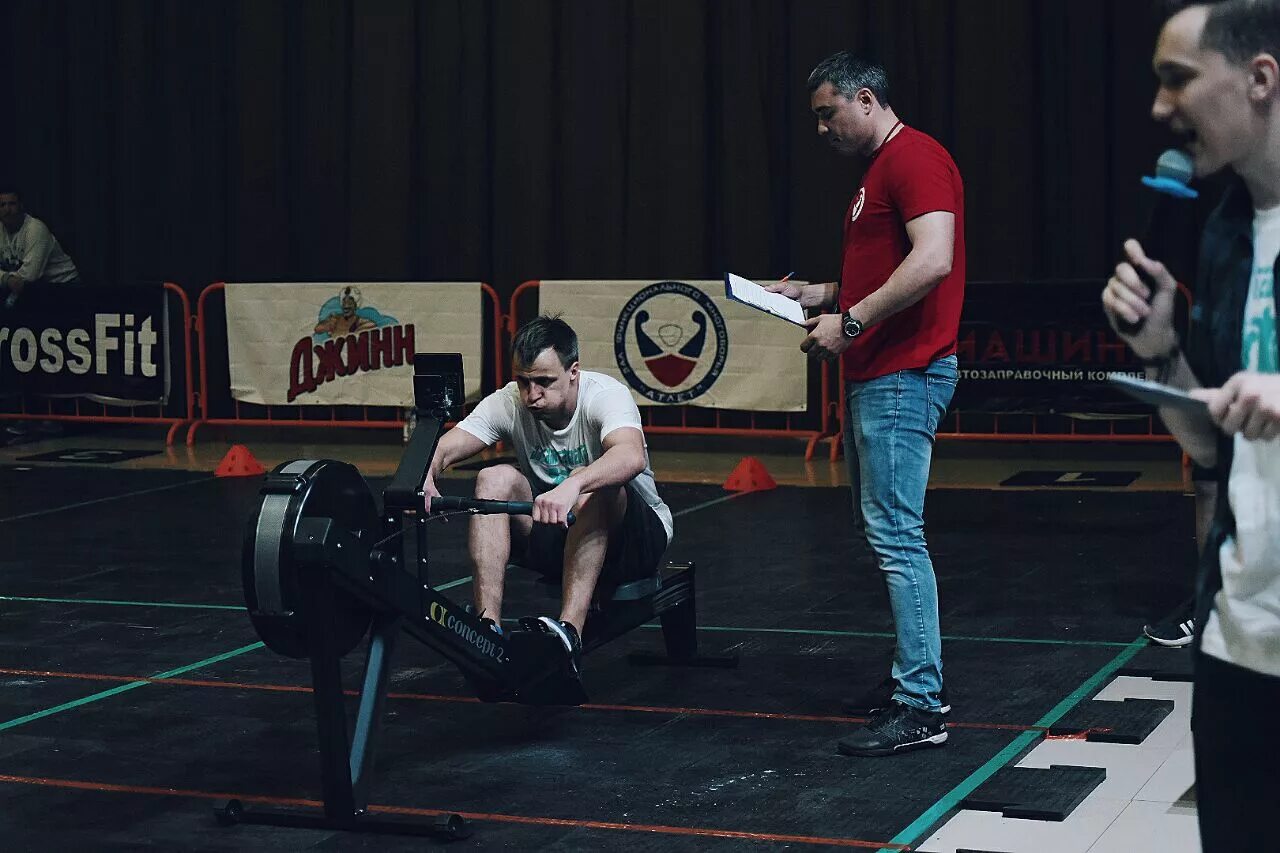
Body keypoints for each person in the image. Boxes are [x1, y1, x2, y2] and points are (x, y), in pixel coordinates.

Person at [1101, 1, 1280, 848]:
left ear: (1260, 78)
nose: (1158, 110)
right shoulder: (1225, 235)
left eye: (1177, 79)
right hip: (1240, 642)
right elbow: (1214, 448)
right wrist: (1165, 355)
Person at [768, 52, 965, 757]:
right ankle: (912, 680)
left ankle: (921, 702)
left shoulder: (914, 158)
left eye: (828, 113)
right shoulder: (876, 174)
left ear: (864, 98)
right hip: (880, 375)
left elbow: (933, 257)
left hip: (902, 375)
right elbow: (884, 272)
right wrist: (817, 295)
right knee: (883, 532)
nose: (822, 128)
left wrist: (848, 323)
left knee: (896, 538)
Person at [422, 315, 673, 676]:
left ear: (573, 372)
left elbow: (630, 455)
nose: (531, 395)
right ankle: (486, 629)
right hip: (562, 534)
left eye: (543, 382)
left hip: (634, 543)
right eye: (523, 381)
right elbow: (444, 448)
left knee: (594, 483)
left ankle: (569, 633)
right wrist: (426, 473)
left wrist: (575, 484)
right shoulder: (510, 402)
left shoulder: (605, 395)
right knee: (493, 477)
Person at [0, 184, 80, 305]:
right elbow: (16, 282)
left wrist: (6, 279)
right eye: (2, 205)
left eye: (12, 204)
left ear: (21, 206)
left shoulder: (35, 229)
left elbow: (29, 276)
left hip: (63, 286)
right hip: (32, 289)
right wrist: (7, 279)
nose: (7, 209)